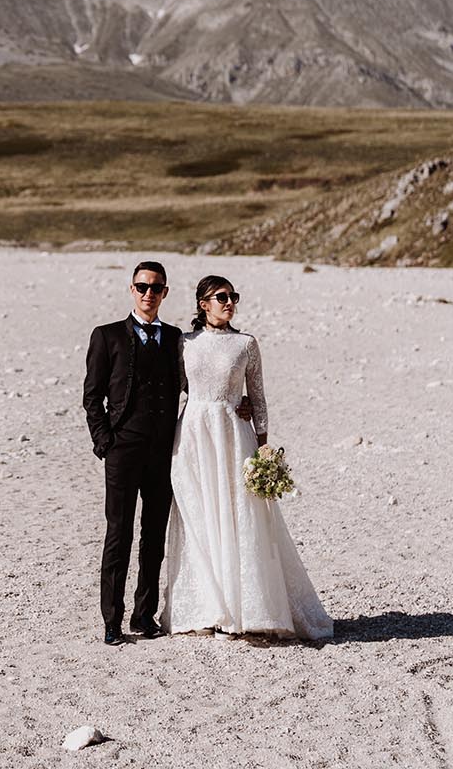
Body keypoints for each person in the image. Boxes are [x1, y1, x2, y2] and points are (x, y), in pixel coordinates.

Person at [159, 274, 333, 640]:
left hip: (234, 437)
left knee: (241, 517)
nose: (229, 302)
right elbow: (172, 391)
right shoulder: (184, 343)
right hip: (193, 436)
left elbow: (259, 395)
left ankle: (248, 608)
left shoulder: (245, 344)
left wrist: (264, 445)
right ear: (203, 304)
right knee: (199, 516)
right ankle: (205, 609)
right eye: (221, 297)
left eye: (232, 296)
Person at [82, 261, 184, 645]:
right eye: (142, 287)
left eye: (156, 288)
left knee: (153, 537)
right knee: (118, 535)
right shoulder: (106, 336)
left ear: (165, 293)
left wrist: (240, 403)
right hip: (122, 450)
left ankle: (144, 615)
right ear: (131, 289)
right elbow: (92, 396)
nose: (148, 294)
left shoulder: (175, 338)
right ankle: (112, 619)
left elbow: (202, 381)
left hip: (162, 453)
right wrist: (104, 441)